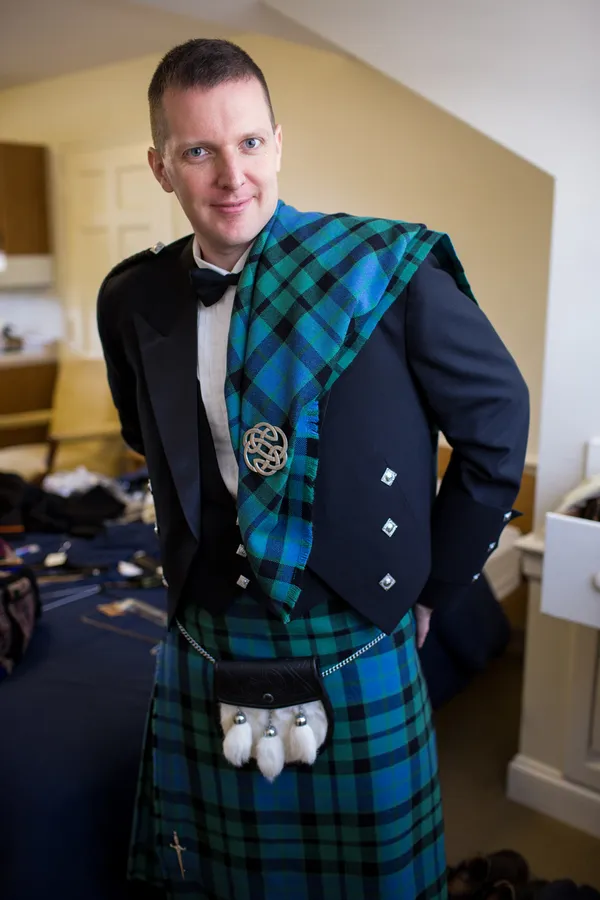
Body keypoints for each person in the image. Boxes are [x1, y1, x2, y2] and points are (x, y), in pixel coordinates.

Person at [97, 37, 529, 900]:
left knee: (377, 882)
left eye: (250, 142)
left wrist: (435, 586)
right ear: (160, 167)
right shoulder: (132, 297)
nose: (232, 175)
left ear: (279, 142)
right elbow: (147, 439)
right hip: (206, 631)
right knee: (226, 882)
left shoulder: (383, 273)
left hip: (355, 628)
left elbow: (497, 426)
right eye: (199, 151)